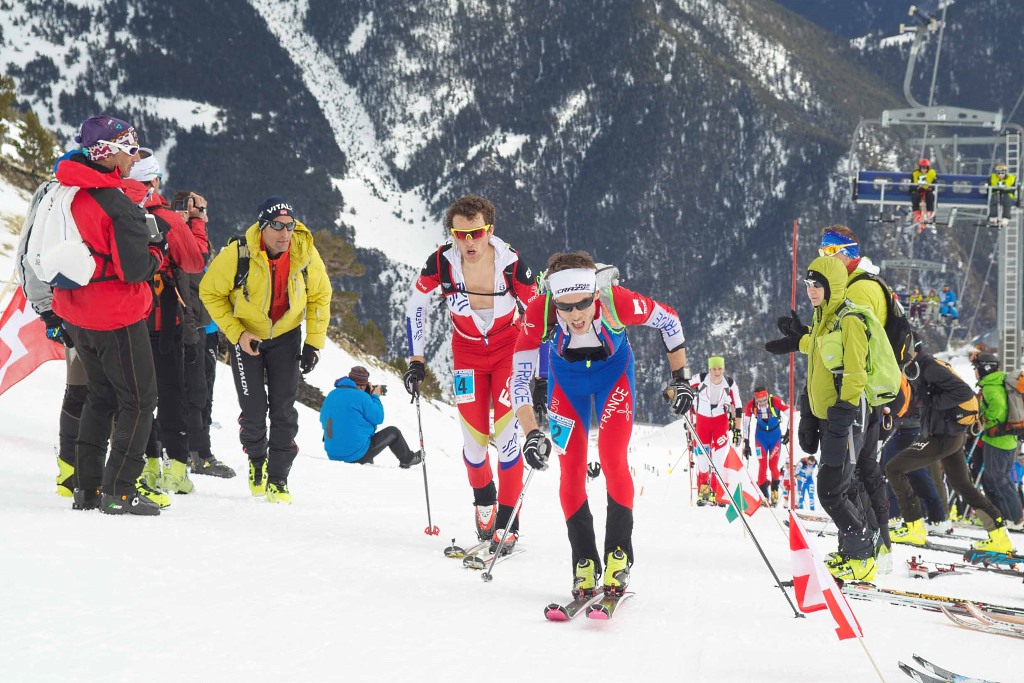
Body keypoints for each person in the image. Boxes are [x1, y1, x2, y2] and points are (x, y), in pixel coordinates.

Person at [509, 250, 690, 598]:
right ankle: (584, 561)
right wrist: (531, 432)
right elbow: (518, 377)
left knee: (611, 458)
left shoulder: (616, 301)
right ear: (554, 300)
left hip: (614, 377)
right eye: (566, 306)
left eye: (583, 304)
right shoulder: (539, 310)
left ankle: (618, 555)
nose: (575, 315)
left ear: (595, 294)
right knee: (571, 469)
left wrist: (680, 378)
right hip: (567, 384)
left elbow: (670, 320)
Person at [403, 194, 537, 544]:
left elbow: (539, 314)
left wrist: (541, 372)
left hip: (508, 350)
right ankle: (484, 502)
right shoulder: (442, 263)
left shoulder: (512, 264)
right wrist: (416, 360)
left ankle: (508, 520)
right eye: (459, 234)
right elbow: (416, 304)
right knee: (474, 446)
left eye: (475, 233)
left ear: (489, 230)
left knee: (508, 441)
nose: (468, 242)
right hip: (466, 356)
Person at [52, 115, 164, 515]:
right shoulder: (117, 204)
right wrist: (157, 251)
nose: (134, 157)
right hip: (115, 315)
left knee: (99, 397)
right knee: (138, 400)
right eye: (128, 148)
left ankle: (87, 488)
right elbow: (135, 269)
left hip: (75, 312)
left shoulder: (66, 190)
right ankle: (119, 489)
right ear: (108, 152)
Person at [772, 226, 893, 565]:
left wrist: (845, 408)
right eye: (822, 251)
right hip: (833, 413)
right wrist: (810, 409)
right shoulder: (824, 313)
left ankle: (870, 553)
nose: (811, 291)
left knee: (845, 484)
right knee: (844, 484)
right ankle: (861, 551)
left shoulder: (857, 300)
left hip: (854, 410)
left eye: (832, 251)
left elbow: (854, 362)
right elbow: (826, 356)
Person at [199, 196, 332, 504]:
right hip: (248, 339)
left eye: (289, 226)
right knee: (254, 410)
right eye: (276, 226)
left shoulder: (304, 253)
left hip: (286, 337)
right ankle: (257, 460)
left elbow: (320, 297)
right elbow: (209, 291)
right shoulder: (239, 254)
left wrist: (314, 341)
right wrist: (237, 333)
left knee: (284, 410)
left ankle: (278, 478)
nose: (284, 234)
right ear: (262, 227)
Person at [124, 150, 207, 503]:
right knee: (173, 394)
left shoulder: (116, 210)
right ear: (155, 180)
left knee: (140, 395)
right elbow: (196, 260)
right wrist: (198, 219)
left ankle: (148, 462)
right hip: (166, 319)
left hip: (128, 316)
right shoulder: (169, 219)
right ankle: (176, 469)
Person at [885, 345, 1015, 554]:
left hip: (944, 437)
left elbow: (963, 393)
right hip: (952, 435)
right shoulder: (924, 367)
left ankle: (914, 526)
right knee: (963, 485)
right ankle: (999, 535)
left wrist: (930, 399)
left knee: (894, 468)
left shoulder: (928, 367)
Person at [170, 189, 235, 479]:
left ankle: (189, 450)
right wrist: (195, 223)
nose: (194, 214)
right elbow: (196, 260)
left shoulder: (190, 236)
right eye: (186, 208)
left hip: (203, 326)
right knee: (194, 393)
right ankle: (197, 454)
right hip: (190, 327)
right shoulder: (178, 239)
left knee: (202, 393)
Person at [320, 365, 423, 467]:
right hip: (355, 455)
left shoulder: (332, 394)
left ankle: (364, 459)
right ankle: (407, 459)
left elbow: (324, 419)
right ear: (362, 385)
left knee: (356, 431)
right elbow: (378, 418)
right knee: (393, 432)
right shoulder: (362, 397)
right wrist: (375, 396)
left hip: (333, 454)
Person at [972, 353, 1024, 530]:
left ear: (984, 368)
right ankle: (1004, 515)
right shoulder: (998, 381)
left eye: (976, 368)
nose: (974, 371)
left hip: (997, 441)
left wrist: (987, 420)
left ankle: (1015, 517)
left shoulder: (990, 387)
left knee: (998, 479)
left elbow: (999, 407)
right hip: (1008, 440)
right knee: (997, 479)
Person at [688, 356, 742, 504]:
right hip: (703, 423)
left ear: (723, 369)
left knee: (718, 461)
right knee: (703, 461)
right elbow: (684, 386)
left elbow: (738, 407)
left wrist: (737, 430)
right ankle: (703, 491)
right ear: (709, 369)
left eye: (719, 369)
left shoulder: (730, 384)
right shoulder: (701, 378)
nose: (717, 372)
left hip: (720, 424)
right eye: (714, 369)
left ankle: (717, 493)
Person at [741, 386, 790, 505]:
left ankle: (774, 490)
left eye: (764, 400)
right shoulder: (751, 405)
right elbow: (746, 423)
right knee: (762, 466)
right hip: (760, 438)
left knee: (773, 466)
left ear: (767, 397)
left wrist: (788, 432)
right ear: (756, 399)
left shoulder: (775, 402)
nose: (762, 403)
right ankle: (764, 495)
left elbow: (791, 414)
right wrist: (746, 443)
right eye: (759, 401)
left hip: (775, 437)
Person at [910, 158, 936, 224]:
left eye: (925, 168)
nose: (924, 170)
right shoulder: (915, 174)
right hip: (918, 190)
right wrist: (916, 188)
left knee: (930, 196)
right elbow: (911, 185)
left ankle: (929, 212)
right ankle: (916, 213)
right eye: (922, 168)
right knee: (915, 196)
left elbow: (934, 184)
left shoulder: (931, 173)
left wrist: (930, 188)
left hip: (927, 191)